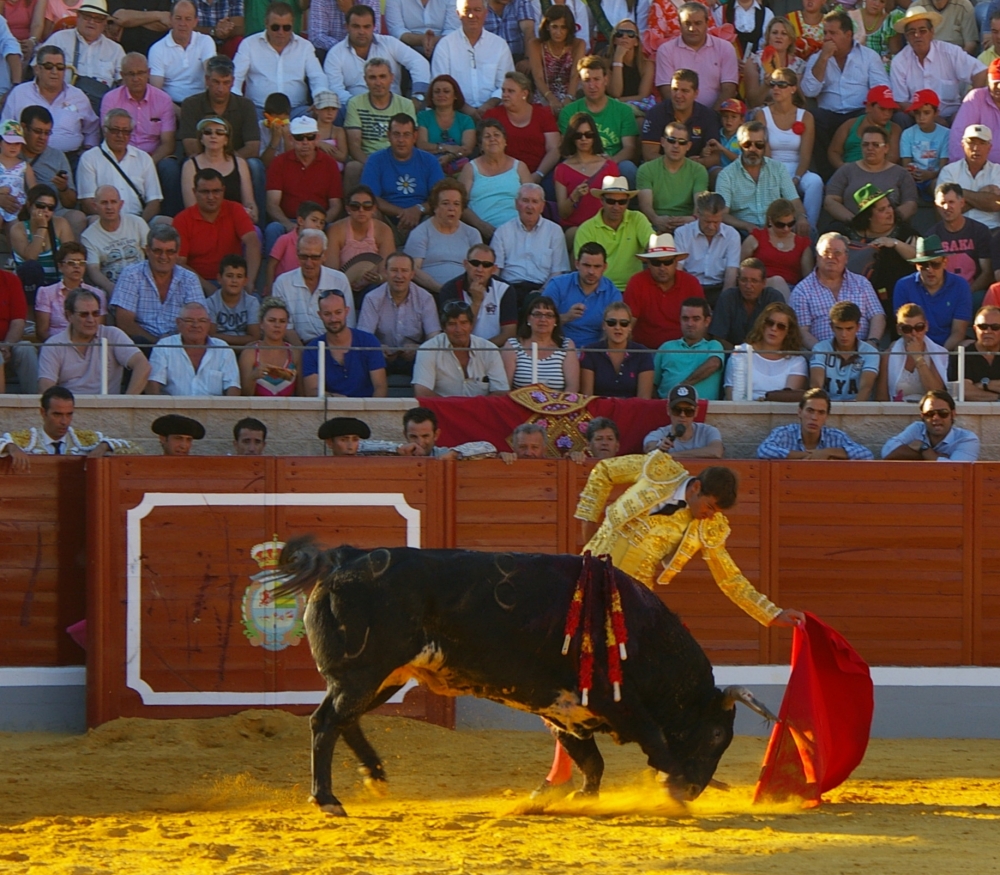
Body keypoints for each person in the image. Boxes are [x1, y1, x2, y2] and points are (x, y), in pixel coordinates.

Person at [542, 458, 805, 794]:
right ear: (695, 488)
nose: (711, 515)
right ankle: (562, 770)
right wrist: (586, 523)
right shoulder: (657, 468)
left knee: (645, 686)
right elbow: (604, 470)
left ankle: (666, 765)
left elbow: (730, 579)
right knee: (562, 677)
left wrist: (771, 613)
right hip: (584, 583)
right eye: (709, 506)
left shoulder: (708, 528)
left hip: (630, 604)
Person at [799, 10, 889, 171]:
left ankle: (863, 171)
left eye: (833, 33)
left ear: (848, 35)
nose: (827, 38)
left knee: (871, 117)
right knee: (813, 117)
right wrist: (824, 58)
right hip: (829, 114)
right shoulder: (817, 58)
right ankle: (826, 177)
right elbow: (809, 91)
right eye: (825, 33)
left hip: (859, 112)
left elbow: (881, 89)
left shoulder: (868, 56)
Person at [38, 287, 149, 394]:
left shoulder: (112, 335)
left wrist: (126, 403)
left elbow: (143, 365)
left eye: (95, 314)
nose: (91, 320)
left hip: (109, 408)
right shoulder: (53, 345)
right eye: (84, 314)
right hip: (70, 409)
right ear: (69, 316)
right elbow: (46, 386)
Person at [752, 67, 823, 232]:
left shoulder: (805, 116)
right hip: (770, 168)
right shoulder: (762, 115)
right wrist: (783, 181)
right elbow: (765, 154)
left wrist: (797, 178)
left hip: (797, 169)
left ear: (793, 88)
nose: (776, 88)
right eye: (773, 84)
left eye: (782, 84)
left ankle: (809, 229)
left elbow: (805, 155)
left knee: (815, 182)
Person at [888, 4, 985, 123]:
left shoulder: (950, 52)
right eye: (912, 32)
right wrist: (929, 119)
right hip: (918, 118)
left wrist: (968, 105)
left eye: (922, 31)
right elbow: (901, 101)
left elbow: (981, 72)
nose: (917, 35)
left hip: (950, 117)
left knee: (965, 117)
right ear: (906, 36)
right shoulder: (899, 61)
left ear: (932, 32)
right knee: (900, 118)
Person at [110, 225, 203, 347]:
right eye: (158, 251)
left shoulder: (190, 279)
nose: (163, 257)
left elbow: (198, 320)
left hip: (179, 346)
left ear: (177, 253)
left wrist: (171, 343)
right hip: (142, 346)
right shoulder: (131, 275)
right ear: (147, 250)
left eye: (170, 251)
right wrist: (158, 344)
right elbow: (125, 323)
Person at [323, 4, 428, 110]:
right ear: (347, 27)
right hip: (356, 111)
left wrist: (417, 97)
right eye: (356, 26)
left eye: (366, 26)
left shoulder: (390, 43)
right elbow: (335, 89)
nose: (361, 32)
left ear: (374, 26)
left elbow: (419, 62)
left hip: (395, 110)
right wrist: (363, 107)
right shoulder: (335, 54)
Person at [1, 45, 100, 159]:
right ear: (37, 69)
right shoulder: (19, 93)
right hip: (25, 159)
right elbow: (5, 128)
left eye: (60, 67)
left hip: (70, 160)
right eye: (49, 66)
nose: (54, 72)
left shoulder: (78, 96)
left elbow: (92, 130)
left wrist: (86, 154)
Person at [790, 232, 885, 349]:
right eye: (826, 252)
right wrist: (824, 353)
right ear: (818, 257)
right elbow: (801, 331)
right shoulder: (802, 290)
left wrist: (871, 343)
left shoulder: (862, 283)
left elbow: (877, 316)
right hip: (822, 357)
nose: (831, 257)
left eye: (837, 253)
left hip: (862, 353)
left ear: (846, 258)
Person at [0, 387, 130, 472]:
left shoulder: (85, 439)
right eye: (57, 414)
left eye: (69, 414)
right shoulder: (23, 440)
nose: (64, 422)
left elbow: (133, 448)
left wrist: (104, 446)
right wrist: (11, 448)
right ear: (43, 413)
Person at [265, 115, 343, 254]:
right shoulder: (279, 163)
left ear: (317, 138)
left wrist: (318, 224)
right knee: (273, 229)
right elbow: (272, 204)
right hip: (289, 220)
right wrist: (289, 225)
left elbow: (335, 205)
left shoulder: (329, 164)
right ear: (291, 139)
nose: (305, 142)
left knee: (334, 229)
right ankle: (272, 273)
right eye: (300, 138)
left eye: (310, 137)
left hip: (320, 221)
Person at [232, 1, 327, 116]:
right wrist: (235, 102)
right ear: (266, 24)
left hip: (297, 111)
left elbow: (317, 77)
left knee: (318, 117)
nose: (281, 32)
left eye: (286, 28)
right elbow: (236, 77)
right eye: (275, 27)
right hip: (258, 110)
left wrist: (320, 99)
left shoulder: (305, 46)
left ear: (292, 25)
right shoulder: (249, 44)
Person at [716, 121, 808, 238]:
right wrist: (746, 226)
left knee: (808, 230)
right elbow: (722, 215)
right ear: (739, 145)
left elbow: (794, 201)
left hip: (777, 227)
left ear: (765, 145)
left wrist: (801, 218)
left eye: (759, 145)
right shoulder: (726, 175)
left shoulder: (778, 168)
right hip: (743, 231)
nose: (753, 149)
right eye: (747, 144)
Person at [174, 166, 260, 292]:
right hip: (198, 284)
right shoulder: (182, 220)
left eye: (216, 191)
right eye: (204, 192)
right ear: (194, 192)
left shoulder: (235, 209)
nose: (211, 197)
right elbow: (180, 263)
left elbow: (252, 242)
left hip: (232, 281)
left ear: (223, 190)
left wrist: (249, 281)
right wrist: (209, 289)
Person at [558, 55, 639, 187]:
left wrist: (610, 162)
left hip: (613, 161)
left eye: (597, 79)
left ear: (606, 80)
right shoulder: (569, 112)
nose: (592, 86)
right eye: (587, 80)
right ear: (580, 82)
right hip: (579, 162)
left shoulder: (623, 110)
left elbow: (629, 148)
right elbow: (565, 149)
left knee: (628, 169)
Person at [361, 113, 445, 240]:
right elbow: (370, 198)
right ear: (388, 135)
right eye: (396, 134)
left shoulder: (429, 161)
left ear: (415, 136)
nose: (401, 140)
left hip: (422, 221)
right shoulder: (375, 160)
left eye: (406, 134)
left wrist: (418, 210)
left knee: (441, 212)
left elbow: (440, 197)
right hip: (386, 221)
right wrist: (404, 214)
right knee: (370, 212)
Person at [357, 251, 440, 376]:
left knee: (433, 361)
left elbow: (434, 338)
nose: (399, 276)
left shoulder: (425, 298)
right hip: (381, 358)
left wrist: (419, 349)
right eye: (394, 270)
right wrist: (378, 348)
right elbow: (364, 337)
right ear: (385, 272)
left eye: (404, 271)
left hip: (416, 359)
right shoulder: (372, 298)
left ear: (412, 274)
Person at [844, 183, 917, 324]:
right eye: (882, 209)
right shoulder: (849, 232)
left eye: (890, 206)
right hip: (859, 295)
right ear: (868, 216)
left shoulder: (905, 232)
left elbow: (918, 256)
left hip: (896, 297)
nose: (890, 212)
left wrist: (895, 243)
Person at [77, 108, 164, 226]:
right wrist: (116, 224)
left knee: (165, 222)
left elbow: (154, 201)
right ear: (105, 130)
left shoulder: (144, 158)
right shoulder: (89, 158)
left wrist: (139, 224)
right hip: (104, 221)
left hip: (138, 220)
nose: (120, 135)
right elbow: (88, 202)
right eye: (115, 130)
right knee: (93, 220)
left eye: (125, 131)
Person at [430, 0, 513, 121]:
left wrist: (488, 106)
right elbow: (440, 85)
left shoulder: (499, 45)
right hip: (455, 114)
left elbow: (506, 84)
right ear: (458, 14)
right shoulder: (445, 45)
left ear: (486, 13)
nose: (471, 15)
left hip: (494, 113)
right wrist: (467, 109)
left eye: (477, 10)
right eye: (467, 10)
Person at [272, 228, 354, 346]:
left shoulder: (339, 280)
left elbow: (348, 323)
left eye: (315, 257)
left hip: (334, 346)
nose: (309, 263)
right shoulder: (282, 283)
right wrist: (306, 354)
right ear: (297, 254)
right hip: (299, 347)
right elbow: (286, 328)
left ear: (324, 256)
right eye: (304, 257)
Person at [343, 58, 417, 186]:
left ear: (391, 78)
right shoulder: (355, 103)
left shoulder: (406, 104)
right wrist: (373, 166)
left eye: (383, 76)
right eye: (372, 77)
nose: (378, 82)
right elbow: (354, 146)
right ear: (365, 80)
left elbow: (410, 141)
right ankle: (352, 206)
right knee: (353, 168)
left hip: (397, 158)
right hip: (367, 158)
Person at [412, 299, 510, 396]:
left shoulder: (489, 349)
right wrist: (457, 409)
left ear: (471, 325)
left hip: (481, 410)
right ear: (444, 328)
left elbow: (501, 392)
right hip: (442, 410)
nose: (458, 330)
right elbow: (422, 392)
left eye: (463, 323)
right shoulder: (428, 349)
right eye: (452, 324)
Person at [824, 126, 917, 227]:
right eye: (865, 144)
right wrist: (854, 221)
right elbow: (831, 200)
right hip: (850, 226)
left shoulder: (901, 173)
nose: (870, 148)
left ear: (886, 148)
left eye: (876, 145)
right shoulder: (846, 170)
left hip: (891, 228)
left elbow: (910, 204)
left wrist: (887, 221)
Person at [623, 231, 703, 349]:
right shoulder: (637, 282)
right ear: (648, 264)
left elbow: (701, 324)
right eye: (656, 262)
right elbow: (628, 324)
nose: (662, 268)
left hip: (683, 350)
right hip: (645, 352)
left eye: (667, 262)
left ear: (676, 263)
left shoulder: (691, 283)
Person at [491, 182, 569, 303]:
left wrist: (543, 291)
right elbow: (495, 272)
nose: (530, 206)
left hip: (543, 290)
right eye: (525, 200)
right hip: (510, 290)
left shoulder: (554, 231)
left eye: (535, 201)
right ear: (517, 204)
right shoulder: (502, 232)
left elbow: (557, 272)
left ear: (542, 206)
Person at [892, 235, 973, 350]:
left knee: (967, 346)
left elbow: (958, 332)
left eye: (935, 264)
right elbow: (905, 329)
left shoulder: (960, 285)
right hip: (914, 343)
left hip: (948, 347)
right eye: (924, 265)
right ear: (916, 266)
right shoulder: (903, 286)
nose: (930, 270)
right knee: (892, 349)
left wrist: (940, 356)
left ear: (945, 262)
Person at [301, 290, 388, 397]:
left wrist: (370, 412)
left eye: (338, 312)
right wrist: (336, 400)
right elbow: (312, 391)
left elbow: (380, 387)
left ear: (346, 311)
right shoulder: (313, 349)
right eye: (327, 314)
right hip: (330, 410)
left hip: (365, 409)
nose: (333, 319)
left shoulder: (369, 341)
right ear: (320, 315)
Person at [575, 175, 653, 292]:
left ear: (628, 202)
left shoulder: (637, 219)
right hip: (599, 290)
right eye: (611, 201)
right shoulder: (586, 229)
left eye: (622, 202)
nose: (616, 207)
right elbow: (584, 267)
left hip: (634, 289)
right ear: (602, 200)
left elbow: (653, 246)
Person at [458, 118, 532, 242]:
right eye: (487, 136)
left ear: (505, 141)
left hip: (519, 232)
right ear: (480, 145)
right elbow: (459, 204)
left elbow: (534, 201)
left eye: (497, 135)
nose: (492, 139)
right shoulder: (470, 168)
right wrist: (480, 226)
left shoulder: (520, 167)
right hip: (482, 234)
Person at [654, 2, 738, 110]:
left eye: (698, 23)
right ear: (679, 23)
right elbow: (666, 90)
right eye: (687, 23)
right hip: (678, 117)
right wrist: (687, 116)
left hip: (716, 117)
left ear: (707, 23)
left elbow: (729, 89)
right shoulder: (666, 50)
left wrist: (709, 117)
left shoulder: (725, 48)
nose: (692, 29)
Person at [18, 105, 86, 237]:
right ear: (24, 127)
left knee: (77, 217)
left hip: (53, 212)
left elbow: (71, 203)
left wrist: (63, 189)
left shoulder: (58, 156)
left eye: (47, 132)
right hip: (18, 211)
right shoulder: (9, 152)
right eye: (38, 131)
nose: (43, 137)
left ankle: (69, 257)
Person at [146, 300, 241, 395]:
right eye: (189, 320)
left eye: (202, 321)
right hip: (174, 408)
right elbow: (153, 382)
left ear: (208, 324)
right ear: (178, 322)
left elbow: (233, 386)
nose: (196, 325)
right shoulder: (164, 346)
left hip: (212, 409)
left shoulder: (223, 349)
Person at [100, 52, 176, 169]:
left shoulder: (163, 99)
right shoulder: (111, 99)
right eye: (131, 74)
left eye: (140, 73)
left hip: (153, 159)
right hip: (120, 156)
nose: (136, 79)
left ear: (149, 73)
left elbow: (168, 143)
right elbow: (108, 136)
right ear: (122, 75)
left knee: (169, 167)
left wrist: (147, 164)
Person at [483, 71, 561, 187]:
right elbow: (485, 148)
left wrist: (538, 175)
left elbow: (554, 149)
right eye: (503, 90)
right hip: (502, 174)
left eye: (511, 91)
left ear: (524, 93)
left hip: (541, 173)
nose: (505, 95)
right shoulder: (492, 115)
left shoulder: (543, 114)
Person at [404, 178, 481, 294]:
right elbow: (414, 270)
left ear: (461, 209)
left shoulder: (472, 234)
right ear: (435, 207)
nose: (452, 208)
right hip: (430, 293)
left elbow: (479, 270)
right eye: (445, 203)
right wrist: (442, 290)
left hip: (465, 293)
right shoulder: (420, 232)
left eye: (456, 204)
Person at [178, 54, 260, 161]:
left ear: (233, 82)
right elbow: (190, 145)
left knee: (254, 164)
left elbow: (253, 147)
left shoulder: (246, 105)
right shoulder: (191, 104)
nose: (221, 89)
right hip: (201, 160)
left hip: (236, 160)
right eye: (216, 82)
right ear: (207, 80)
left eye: (226, 83)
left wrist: (226, 162)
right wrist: (213, 161)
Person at [542, 241, 621, 349]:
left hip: (595, 351)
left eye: (597, 266)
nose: (591, 271)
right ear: (577, 264)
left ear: (605, 267)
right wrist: (565, 317)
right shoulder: (557, 285)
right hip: (558, 347)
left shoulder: (612, 293)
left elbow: (614, 332)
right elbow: (539, 322)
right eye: (586, 265)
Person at [756, 388, 875, 459]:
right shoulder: (784, 433)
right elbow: (763, 450)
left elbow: (867, 455)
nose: (814, 418)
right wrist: (806, 456)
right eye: (810, 411)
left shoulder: (836, 436)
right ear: (800, 412)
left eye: (821, 413)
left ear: (826, 417)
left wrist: (827, 452)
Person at [723, 301, 808, 401]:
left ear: (789, 332)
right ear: (762, 324)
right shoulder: (741, 352)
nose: (774, 328)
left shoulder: (797, 361)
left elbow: (787, 400)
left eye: (781, 326)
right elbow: (732, 395)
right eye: (770, 323)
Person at [179, 116, 257, 222]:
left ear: (226, 139)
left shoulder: (240, 163)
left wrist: (251, 212)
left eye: (219, 132)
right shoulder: (190, 165)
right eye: (207, 132)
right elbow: (191, 207)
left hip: (237, 222)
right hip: (204, 224)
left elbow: (249, 202)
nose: (213, 136)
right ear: (201, 139)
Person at [436, 244, 517, 346]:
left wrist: (481, 350)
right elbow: (458, 332)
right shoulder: (450, 290)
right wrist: (476, 302)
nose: (480, 269)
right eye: (475, 263)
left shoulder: (505, 289)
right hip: (459, 350)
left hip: (494, 351)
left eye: (486, 265)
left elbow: (509, 333)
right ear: (465, 264)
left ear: (494, 269)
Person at [553, 111, 619, 237]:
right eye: (578, 135)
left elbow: (617, 204)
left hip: (604, 228)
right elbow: (562, 213)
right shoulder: (562, 169)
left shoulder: (609, 166)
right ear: (572, 138)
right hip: (575, 228)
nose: (584, 139)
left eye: (588, 134)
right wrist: (574, 196)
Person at [636, 120, 707, 234]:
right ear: (663, 142)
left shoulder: (699, 170)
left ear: (688, 146)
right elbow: (645, 205)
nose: (676, 146)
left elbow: (699, 204)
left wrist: (692, 219)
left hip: (688, 227)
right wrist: (656, 220)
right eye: (671, 140)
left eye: (682, 142)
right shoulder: (646, 169)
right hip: (655, 226)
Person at [10, 184, 77, 306]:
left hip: (56, 282)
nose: (45, 211)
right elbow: (30, 257)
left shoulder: (61, 224)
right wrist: (42, 227)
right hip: (30, 286)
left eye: (50, 208)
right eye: (40, 206)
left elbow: (70, 255)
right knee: (31, 267)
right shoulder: (18, 229)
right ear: (29, 205)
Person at [929, 182, 994, 302]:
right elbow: (930, 273)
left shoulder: (979, 231)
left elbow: (987, 272)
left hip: (974, 292)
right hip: (943, 294)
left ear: (962, 203)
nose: (947, 207)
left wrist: (966, 293)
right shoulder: (932, 236)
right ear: (936, 206)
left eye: (951, 202)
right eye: (942, 203)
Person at [641, 68, 720, 166]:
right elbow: (649, 155)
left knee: (716, 172)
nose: (678, 95)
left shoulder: (708, 116)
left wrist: (699, 162)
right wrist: (683, 164)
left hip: (696, 170)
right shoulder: (656, 113)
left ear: (696, 93)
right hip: (661, 170)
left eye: (684, 91)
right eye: (675, 89)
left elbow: (715, 157)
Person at [325, 185, 396, 293]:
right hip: (342, 286)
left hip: (373, 286)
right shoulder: (336, 230)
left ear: (374, 209)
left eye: (367, 206)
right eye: (355, 206)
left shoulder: (384, 230)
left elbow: (386, 270)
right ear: (348, 209)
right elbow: (331, 270)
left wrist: (378, 278)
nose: (361, 210)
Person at [80, 184, 149, 296]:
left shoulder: (137, 223)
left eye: (113, 202)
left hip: (143, 282)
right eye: (104, 202)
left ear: (121, 204)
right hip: (113, 286)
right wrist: (112, 289)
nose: (109, 207)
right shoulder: (88, 236)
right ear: (94, 206)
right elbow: (93, 270)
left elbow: (150, 254)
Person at [740, 198, 814, 300]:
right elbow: (740, 267)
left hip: (792, 289)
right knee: (777, 281)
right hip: (759, 288)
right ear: (770, 221)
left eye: (790, 224)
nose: (786, 229)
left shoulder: (802, 243)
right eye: (780, 225)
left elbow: (808, 278)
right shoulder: (757, 238)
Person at [502, 293, 579, 391]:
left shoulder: (566, 345)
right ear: (528, 319)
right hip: (521, 403)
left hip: (557, 403)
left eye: (549, 315)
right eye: (537, 314)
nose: (543, 319)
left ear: (555, 321)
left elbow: (572, 386)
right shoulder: (513, 345)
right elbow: (505, 387)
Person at [674, 191, 740, 305]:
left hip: (718, 289)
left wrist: (723, 303)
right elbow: (678, 270)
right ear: (698, 214)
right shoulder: (682, 233)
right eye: (707, 221)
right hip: (690, 287)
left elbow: (731, 274)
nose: (711, 226)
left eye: (716, 222)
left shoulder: (732, 235)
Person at [653, 297, 724, 401]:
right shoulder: (666, 347)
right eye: (685, 318)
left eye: (696, 319)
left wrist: (681, 388)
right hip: (665, 408)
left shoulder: (713, 345)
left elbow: (713, 364)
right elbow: (652, 383)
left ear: (707, 321)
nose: (690, 324)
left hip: (704, 410)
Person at [33, 241, 107, 341]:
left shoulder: (97, 294)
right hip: (56, 347)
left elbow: (98, 330)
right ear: (60, 266)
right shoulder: (46, 293)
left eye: (81, 263)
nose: (77, 267)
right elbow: (42, 332)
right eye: (71, 263)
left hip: (88, 347)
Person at [579, 300, 653, 398]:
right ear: (603, 326)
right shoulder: (590, 352)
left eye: (624, 323)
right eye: (611, 323)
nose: (618, 327)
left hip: (632, 410)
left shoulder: (643, 354)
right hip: (599, 411)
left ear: (630, 327)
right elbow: (586, 397)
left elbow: (644, 399)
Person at [808, 300, 879, 401]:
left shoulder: (870, 352)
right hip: (826, 408)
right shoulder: (820, 348)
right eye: (839, 328)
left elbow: (866, 387)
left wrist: (852, 414)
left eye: (849, 329)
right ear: (832, 327)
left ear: (858, 327)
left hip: (857, 409)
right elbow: (816, 385)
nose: (844, 334)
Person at [148, 0, 216, 105]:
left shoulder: (205, 41)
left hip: (201, 102)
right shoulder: (157, 49)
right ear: (171, 19)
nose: (182, 24)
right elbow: (156, 92)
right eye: (178, 18)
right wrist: (178, 112)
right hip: (171, 105)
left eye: (188, 19)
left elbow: (211, 73)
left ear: (195, 22)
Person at [881, 389, 980, 460]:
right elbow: (887, 452)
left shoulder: (967, 439)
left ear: (953, 414)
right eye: (930, 414)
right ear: (922, 416)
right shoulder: (917, 429)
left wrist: (923, 449)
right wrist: (933, 455)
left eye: (943, 413)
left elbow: (955, 470)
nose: (936, 418)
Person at [876, 302, 947, 401]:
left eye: (919, 327)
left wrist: (918, 358)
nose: (914, 333)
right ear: (899, 330)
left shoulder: (938, 354)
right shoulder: (888, 356)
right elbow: (882, 397)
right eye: (907, 329)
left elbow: (937, 394)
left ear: (926, 326)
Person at [709, 257, 786, 348]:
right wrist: (741, 354)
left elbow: (782, 335)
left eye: (754, 281)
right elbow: (718, 338)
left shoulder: (774, 298)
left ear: (764, 283)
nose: (748, 286)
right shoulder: (727, 298)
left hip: (765, 353)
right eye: (744, 280)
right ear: (738, 280)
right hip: (733, 355)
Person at [938, 124, 1000, 234]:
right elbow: (946, 210)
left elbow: (995, 204)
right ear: (963, 145)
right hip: (958, 231)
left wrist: (958, 195)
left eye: (982, 143)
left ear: (989, 147)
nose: (976, 148)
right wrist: (983, 194)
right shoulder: (949, 171)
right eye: (971, 143)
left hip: (992, 231)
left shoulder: (997, 171)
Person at [827, 84, 902, 173]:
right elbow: (834, 151)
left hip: (880, 173)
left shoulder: (894, 129)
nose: (887, 114)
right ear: (869, 107)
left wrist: (871, 171)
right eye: (882, 109)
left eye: (890, 110)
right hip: (849, 171)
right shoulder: (850, 124)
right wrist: (843, 167)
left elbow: (892, 157)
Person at [528, 5, 587, 111]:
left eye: (563, 27)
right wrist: (551, 99)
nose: (558, 32)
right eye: (554, 27)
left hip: (571, 92)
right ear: (547, 26)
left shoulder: (578, 44)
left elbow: (575, 75)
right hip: (544, 94)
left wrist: (569, 98)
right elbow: (538, 77)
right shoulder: (536, 44)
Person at [642, 383, 723, 458]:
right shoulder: (659, 434)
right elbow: (649, 448)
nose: (682, 415)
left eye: (688, 411)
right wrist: (659, 448)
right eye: (677, 410)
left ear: (696, 412)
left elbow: (716, 452)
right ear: (668, 410)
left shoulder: (708, 431)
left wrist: (672, 456)